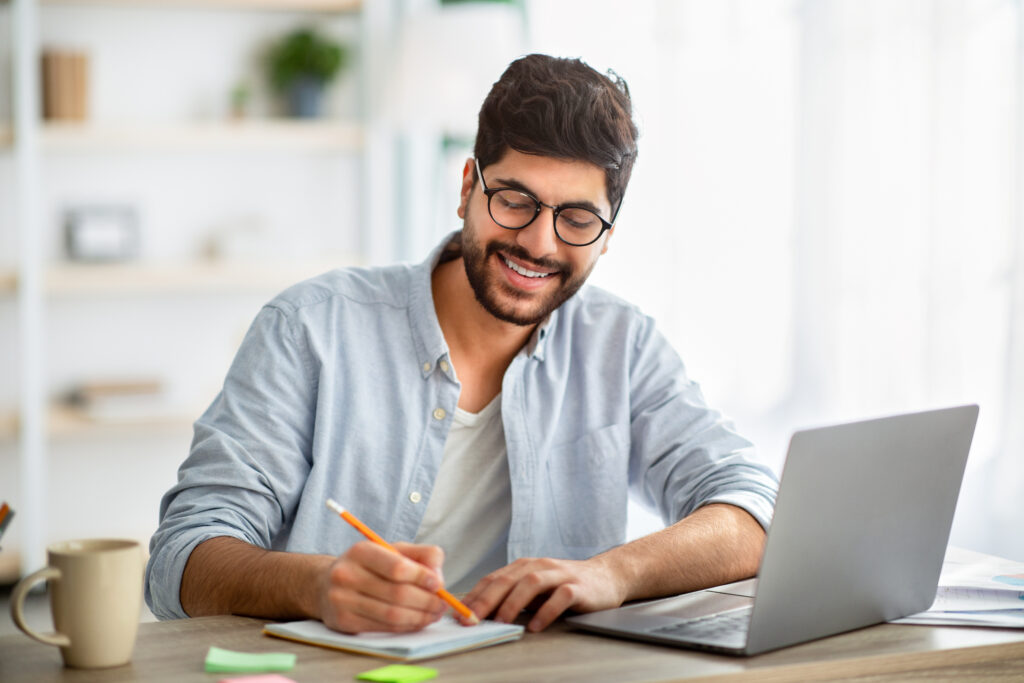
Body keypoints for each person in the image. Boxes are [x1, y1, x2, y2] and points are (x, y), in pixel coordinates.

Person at [145, 54, 778, 635]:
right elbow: (180, 561)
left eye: (577, 219)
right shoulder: (310, 328)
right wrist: (315, 586)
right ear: (468, 185)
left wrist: (614, 573)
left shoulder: (623, 345)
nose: (539, 244)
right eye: (515, 201)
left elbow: (755, 510)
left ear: (608, 234)